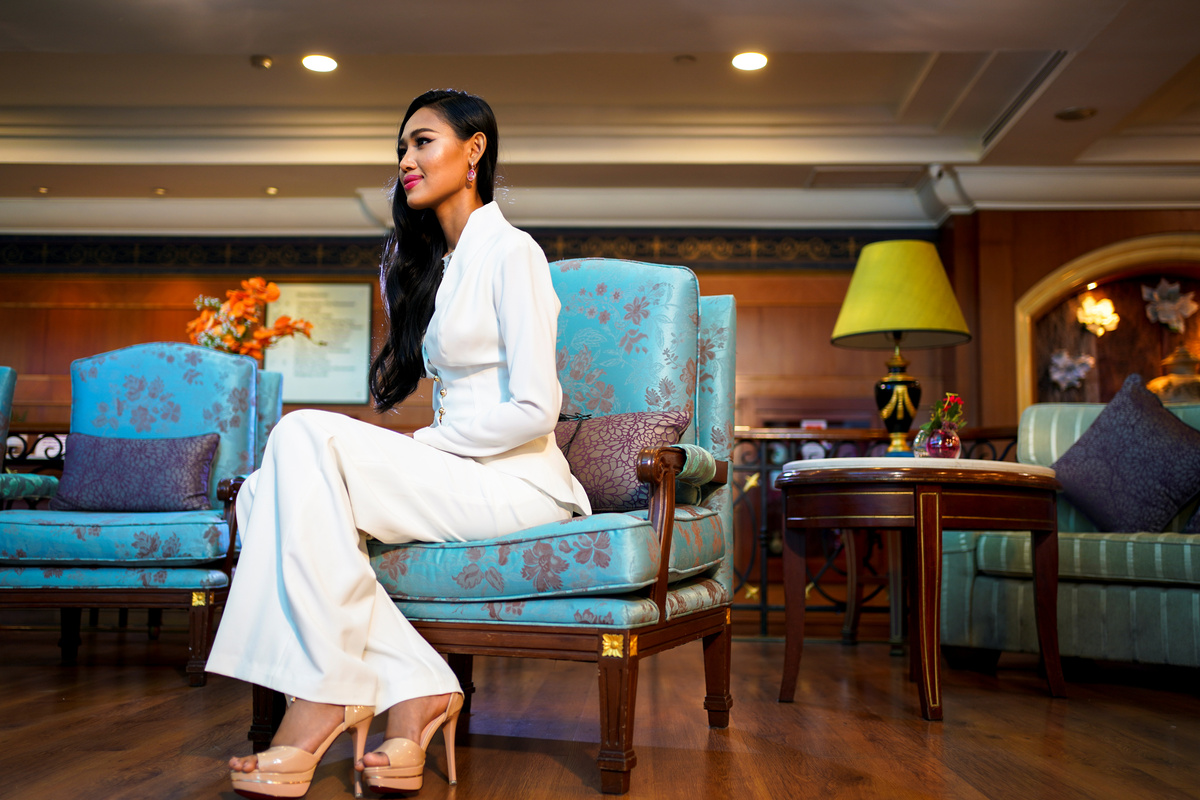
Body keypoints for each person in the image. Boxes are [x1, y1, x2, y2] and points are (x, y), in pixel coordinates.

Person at [207, 88, 591, 798]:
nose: (406, 160)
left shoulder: (514, 252)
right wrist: (430, 447)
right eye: (401, 149)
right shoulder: (441, 264)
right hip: (458, 473)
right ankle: (419, 687)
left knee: (301, 432)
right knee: (262, 492)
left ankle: (323, 697)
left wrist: (430, 443)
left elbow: (539, 409)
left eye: (422, 142)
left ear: (474, 150)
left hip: (517, 483)